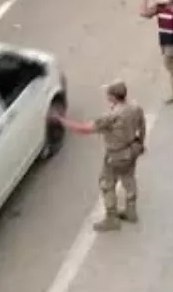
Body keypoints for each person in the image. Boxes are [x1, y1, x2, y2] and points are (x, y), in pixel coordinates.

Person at [53, 80, 147, 231]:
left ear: (113, 98)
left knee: (106, 183)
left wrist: (61, 120)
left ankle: (112, 218)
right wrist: (141, 144)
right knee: (129, 179)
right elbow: (142, 126)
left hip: (116, 156)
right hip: (132, 150)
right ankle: (131, 211)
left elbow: (83, 129)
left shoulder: (110, 117)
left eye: (108, 94)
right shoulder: (135, 108)